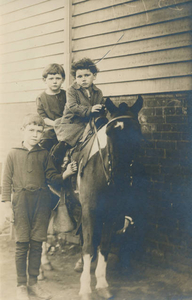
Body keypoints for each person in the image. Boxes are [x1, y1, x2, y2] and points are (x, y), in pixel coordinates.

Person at [2, 114, 77, 300]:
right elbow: (5, 183)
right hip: (21, 203)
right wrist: (6, 206)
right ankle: (21, 286)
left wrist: (66, 173)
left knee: (37, 244)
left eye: (39, 131)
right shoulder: (12, 153)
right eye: (31, 130)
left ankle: (34, 284)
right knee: (22, 245)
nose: (35, 135)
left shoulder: (44, 154)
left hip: (41, 202)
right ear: (23, 131)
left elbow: (52, 177)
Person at [53, 57, 106, 159]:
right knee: (68, 141)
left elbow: (99, 106)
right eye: (79, 76)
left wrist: (102, 109)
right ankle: (57, 158)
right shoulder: (72, 90)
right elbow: (72, 106)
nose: (83, 79)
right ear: (75, 78)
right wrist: (90, 109)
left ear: (94, 76)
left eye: (87, 75)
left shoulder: (98, 92)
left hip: (90, 122)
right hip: (73, 122)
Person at [36, 63, 66, 152]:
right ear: (44, 80)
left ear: (63, 80)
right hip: (50, 130)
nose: (54, 81)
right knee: (45, 145)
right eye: (51, 78)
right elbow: (43, 118)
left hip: (65, 128)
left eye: (58, 78)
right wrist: (56, 124)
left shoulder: (66, 95)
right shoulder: (41, 97)